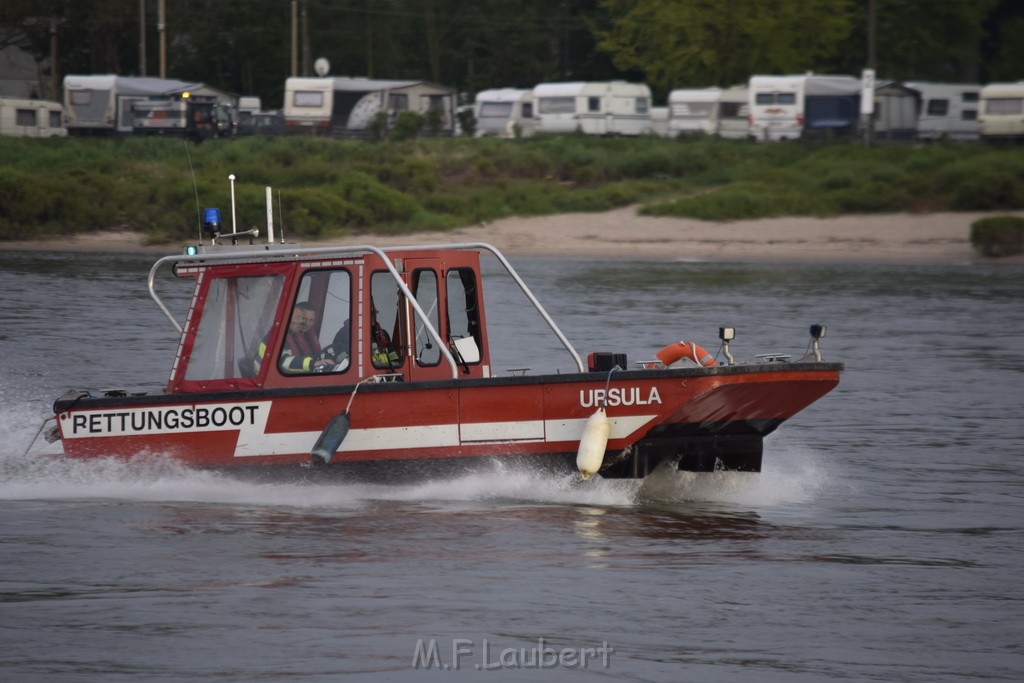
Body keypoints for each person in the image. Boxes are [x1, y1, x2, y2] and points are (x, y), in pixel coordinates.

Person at [259, 302, 333, 374]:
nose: (303, 322)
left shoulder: (306, 335)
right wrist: (313, 363)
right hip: (266, 376)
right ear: (288, 318)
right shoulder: (280, 336)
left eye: (311, 320)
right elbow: (283, 361)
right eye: (299, 318)